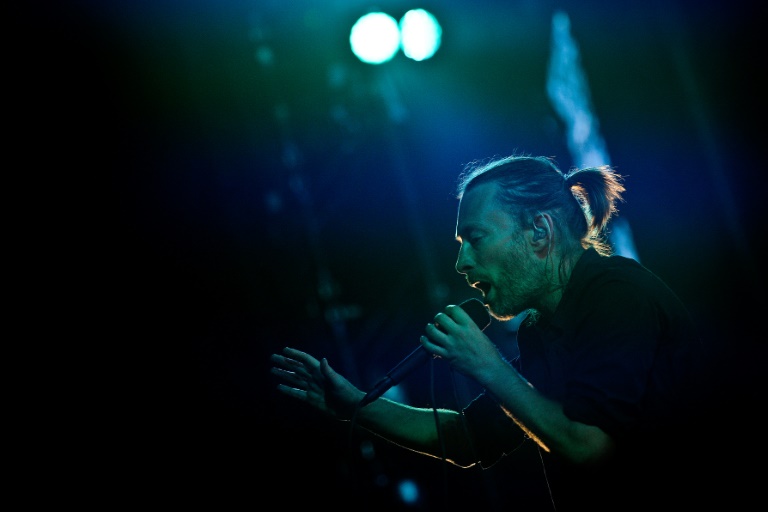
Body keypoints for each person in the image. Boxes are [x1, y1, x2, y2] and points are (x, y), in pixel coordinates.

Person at [270, 154, 717, 510]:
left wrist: (485, 363)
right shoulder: (542, 331)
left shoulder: (616, 294)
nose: (462, 265)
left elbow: (588, 445)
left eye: (476, 239)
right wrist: (356, 406)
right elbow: (469, 437)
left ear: (539, 231)